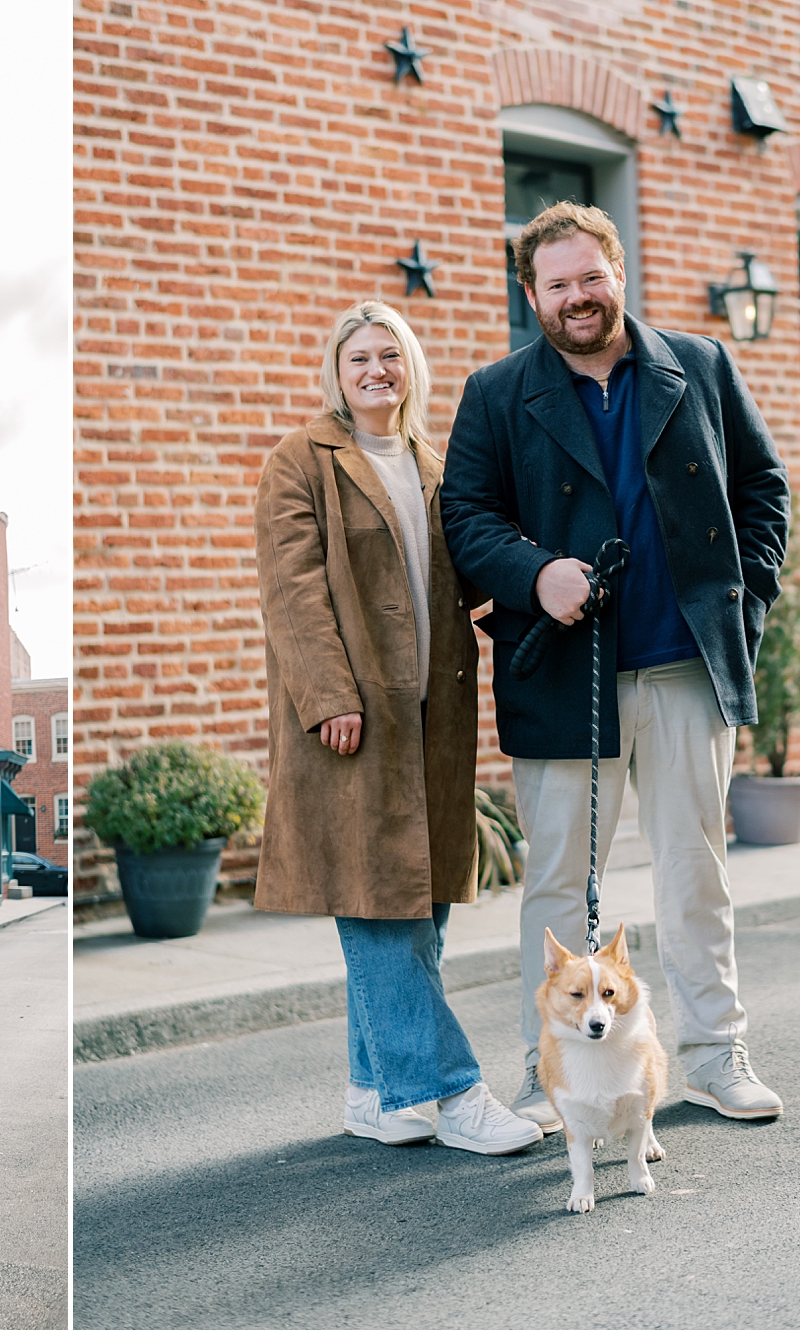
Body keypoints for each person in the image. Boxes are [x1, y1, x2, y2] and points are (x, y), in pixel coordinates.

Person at [440, 201, 792, 1128]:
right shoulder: (495, 392)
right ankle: (546, 1072)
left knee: (695, 875)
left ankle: (716, 1057)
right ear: (531, 295)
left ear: (618, 274)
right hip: (563, 674)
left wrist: (745, 605)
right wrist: (536, 571)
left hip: (683, 666)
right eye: (556, 284)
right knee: (557, 893)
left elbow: (763, 489)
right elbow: (466, 520)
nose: (576, 297)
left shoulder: (701, 366)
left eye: (589, 277)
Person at [252, 299, 543, 1156]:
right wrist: (330, 696)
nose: (376, 370)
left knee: (415, 911)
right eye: (359, 359)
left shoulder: (431, 461)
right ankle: (452, 1091)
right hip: (357, 720)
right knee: (380, 910)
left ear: (409, 368)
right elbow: (292, 593)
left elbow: (469, 579)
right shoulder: (300, 460)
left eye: (391, 356)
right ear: (336, 375)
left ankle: (375, 1091)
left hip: (433, 723)